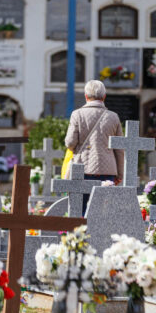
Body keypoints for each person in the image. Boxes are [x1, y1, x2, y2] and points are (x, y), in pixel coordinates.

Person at [65, 80, 124, 214]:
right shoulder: (113, 117)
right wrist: (120, 174)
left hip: (82, 169)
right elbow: (120, 149)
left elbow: (70, 143)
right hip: (107, 172)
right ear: (104, 97)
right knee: (102, 213)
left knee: (78, 211)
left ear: (86, 96)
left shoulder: (77, 114)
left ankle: (77, 235)